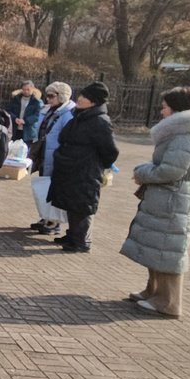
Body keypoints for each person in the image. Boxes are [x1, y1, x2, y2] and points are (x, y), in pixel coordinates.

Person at [121, 87, 190, 318]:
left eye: (165, 107)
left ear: (178, 110)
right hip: (165, 197)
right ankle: (153, 291)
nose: (161, 111)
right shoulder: (181, 134)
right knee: (156, 247)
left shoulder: (185, 138)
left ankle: (168, 302)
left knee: (168, 251)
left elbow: (171, 171)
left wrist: (142, 172)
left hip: (173, 199)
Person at [47, 82, 120, 253]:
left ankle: (81, 241)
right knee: (72, 203)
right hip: (70, 168)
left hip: (86, 170)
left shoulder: (100, 121)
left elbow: (110, 150)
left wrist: (97, 165)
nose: (79, 99)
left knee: (82, 205)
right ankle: (72, 235)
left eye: (85, 97)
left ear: (94, 101)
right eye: (81, 95)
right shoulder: (79, 116)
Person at [28, 82, 75, 238]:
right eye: (47, 95)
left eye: (51, 96)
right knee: (45, 188)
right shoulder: (49, 111)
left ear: (61, 96)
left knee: (55, 190)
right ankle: (45, 217)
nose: (48, 99)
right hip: (44, 154)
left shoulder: (67, 114)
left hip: (56, 157)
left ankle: (54, 222)